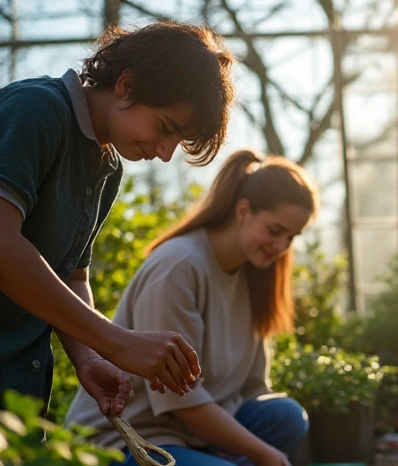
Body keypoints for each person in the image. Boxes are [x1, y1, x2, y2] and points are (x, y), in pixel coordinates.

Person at [66, 150, 319, 466]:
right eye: (275, 230)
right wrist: (262, 454)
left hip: (195, 436)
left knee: (285, 416)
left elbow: (253, 388)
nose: (281, 246)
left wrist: (266, 453)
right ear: (243, 210)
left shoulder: (254, 274)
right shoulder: (181, 266)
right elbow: (179, 401)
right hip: (128, 441)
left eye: (292, 237)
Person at [0, 21, 236, 417]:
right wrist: (118, 341)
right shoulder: (35, 111)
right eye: (165, 129)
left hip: (19, 389)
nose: (164, 154)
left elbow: (72, 277)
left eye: (176, 144)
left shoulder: (106, 166)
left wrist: (89, 357)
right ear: (126, 85)